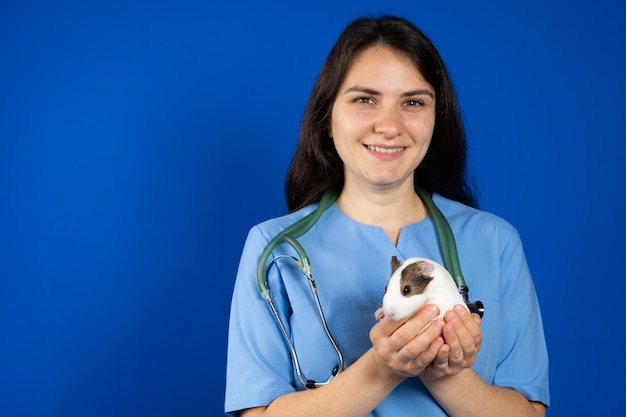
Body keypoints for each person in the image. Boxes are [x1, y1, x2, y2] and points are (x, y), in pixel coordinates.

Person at [224, 14, 549, 417]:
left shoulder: (495, 241)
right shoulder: (274, 249)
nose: (389, 125)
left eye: (413, 102)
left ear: (436, 120)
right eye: (365, 99)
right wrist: (382, 368)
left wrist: (444, 371)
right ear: (327, 117)